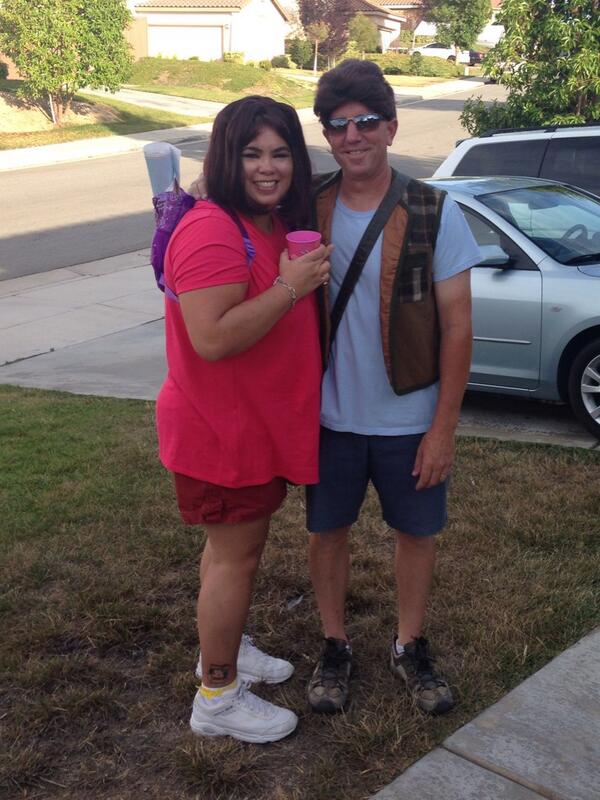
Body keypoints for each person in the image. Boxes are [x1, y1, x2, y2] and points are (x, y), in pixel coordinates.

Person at [305, 60, 482, 716]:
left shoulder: (434, 209)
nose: (353, 136)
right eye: (338, 125)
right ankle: (334, 644)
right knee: (328, 531)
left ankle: (409, 645)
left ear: (390, 127)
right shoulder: (311, 206)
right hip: (329, 419)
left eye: (366, 122)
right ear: (328, 136)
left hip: (410, 419)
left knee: (416, 534)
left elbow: (459, 329)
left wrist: (442, 428)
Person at [155, 96, 331, 743]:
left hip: (244, 430)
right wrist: (289, 289)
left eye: (280, 152)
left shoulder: (256, 221)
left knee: (227, 554)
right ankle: (219, 696)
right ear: (227, 156)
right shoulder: (211, 230)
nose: (268, 167)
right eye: (252, 152)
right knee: (236, 559)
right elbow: (212, 338)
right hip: (218, 434)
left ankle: (219, 651)